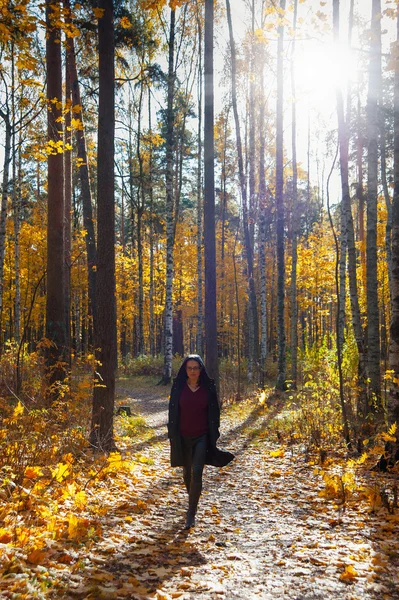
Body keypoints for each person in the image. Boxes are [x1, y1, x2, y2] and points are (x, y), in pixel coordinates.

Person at [167, 354, 234, 530]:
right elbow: (172, 411)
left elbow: (215, 412)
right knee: (187, 474)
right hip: (182, 436)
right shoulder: (178, 387)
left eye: (196, 368)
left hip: (202, 436)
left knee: (197, 472)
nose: (193, 371)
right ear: (185, 370)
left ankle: (191, 513)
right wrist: (171, 433)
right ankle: (193, 499)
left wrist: (215, 432)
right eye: (189, 368)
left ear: (201, 369)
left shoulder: (208, 388)